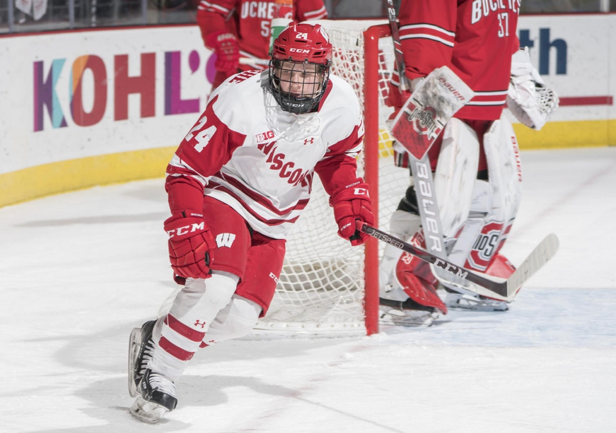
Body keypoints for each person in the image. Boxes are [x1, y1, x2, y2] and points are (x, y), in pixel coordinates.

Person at [127, 22, 374, 423]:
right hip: (228, 195)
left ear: (325, 74)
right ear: (273, 66)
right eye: (289, 71)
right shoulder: (242, 99)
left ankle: (160, 337)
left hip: (276, 219)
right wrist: (187, 225)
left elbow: (337, 158)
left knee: (240, 320)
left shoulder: (343, 103)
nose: (296, 83)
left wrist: (348, 198)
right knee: (214, 288)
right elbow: (186, 170)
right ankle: (161, 374)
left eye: (307, 74)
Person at [379, 0, 559, 324]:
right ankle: (396, 280)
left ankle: (458, 268)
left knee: (483, 199)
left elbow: (503, 37)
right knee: (442, 196)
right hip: (445, 103)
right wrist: (427, 110)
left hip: (482, 104)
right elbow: (424, 48)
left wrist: (521, 79)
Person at [196, 0, 328, 89]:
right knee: (221, 116)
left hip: (288, 72)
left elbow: (316, 26)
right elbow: (211, 12)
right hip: (241, 67)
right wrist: (221, 40)